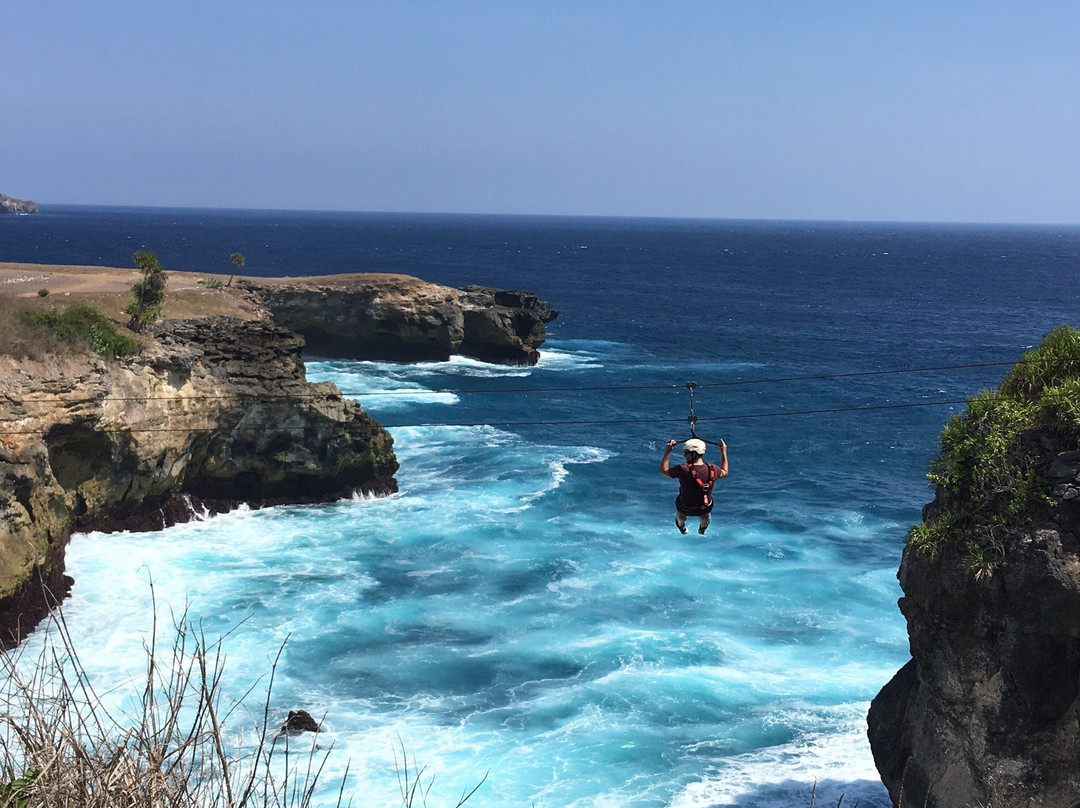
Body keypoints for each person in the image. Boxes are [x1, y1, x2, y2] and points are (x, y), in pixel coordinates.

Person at [660, 437, 728, 534]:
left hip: (684, 507)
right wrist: (723, 452)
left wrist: (667, 451)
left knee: (680, 515)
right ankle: (702, 529)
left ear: (694, 454)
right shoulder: (713, 469)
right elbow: (724, 472)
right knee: (704, 515)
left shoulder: (683, 469)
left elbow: (663, 470)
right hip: (704, 507)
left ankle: (682, 527)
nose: (684, 455)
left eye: (686, 453)